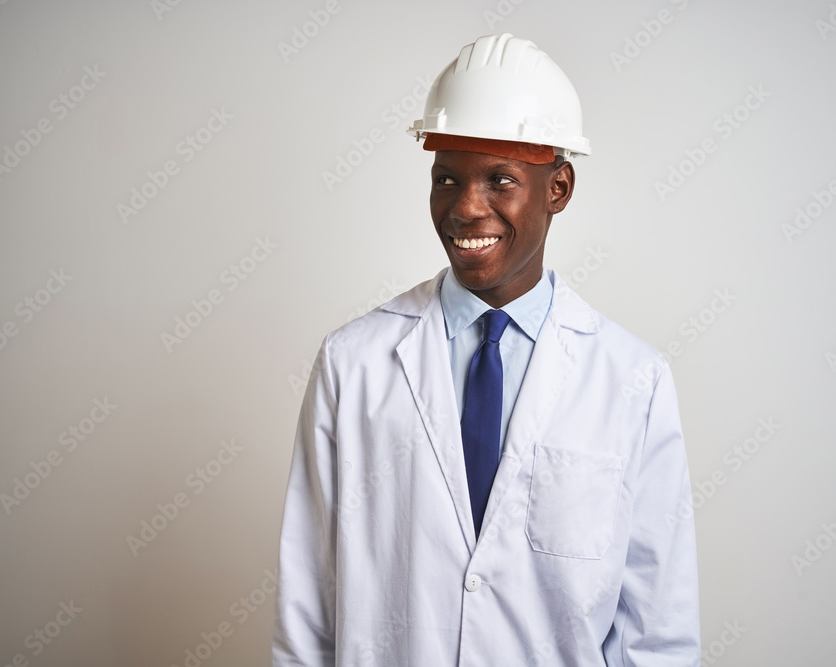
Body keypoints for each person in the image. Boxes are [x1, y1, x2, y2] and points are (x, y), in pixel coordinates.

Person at [273, 33, 700, 666]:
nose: (466, 208)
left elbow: (656, 628)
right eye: (447, 178)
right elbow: (306, 606)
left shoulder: (633, 378)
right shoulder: (352, 364)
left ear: (558, 188)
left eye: (500, 179)